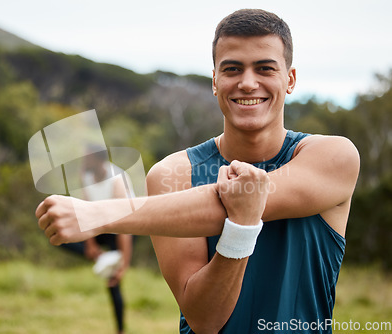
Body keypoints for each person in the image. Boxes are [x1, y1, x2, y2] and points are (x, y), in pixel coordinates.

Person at [35, 9, 360, 334]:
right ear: (215, 81)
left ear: (289, 79)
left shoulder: (334, 156)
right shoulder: (172, 174)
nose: (248, 83)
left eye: (264, 68)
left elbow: (247, 197)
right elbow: (204, 320)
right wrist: (240, 227)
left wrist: (98, 213)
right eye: (232, 69)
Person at [60, 149, 132, 334]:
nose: (83, 161)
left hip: (121, 228)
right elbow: (86, 212)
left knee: (113, 281)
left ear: (99, 159)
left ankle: (120, 330)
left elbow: (125, 226)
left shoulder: (117, 180)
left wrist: (123, 264)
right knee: (61, 237)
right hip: (98, 225)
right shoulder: (86, 175)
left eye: (87, 158)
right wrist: (90, 245)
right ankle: (102, 257)